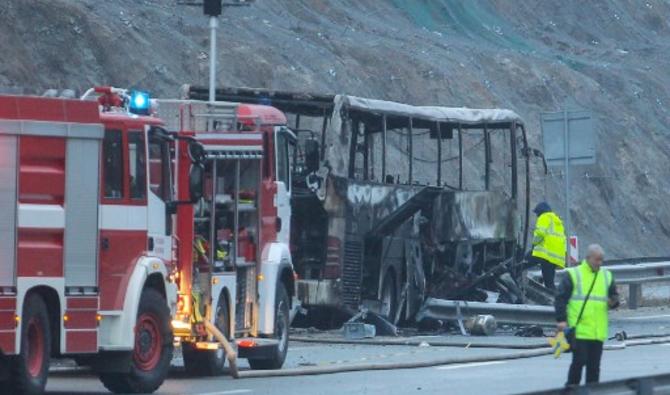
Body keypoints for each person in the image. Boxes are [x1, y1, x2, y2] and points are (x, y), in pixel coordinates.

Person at [555, 244, 620, 387]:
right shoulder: (574, 274)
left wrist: (613, 302)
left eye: (602, 260)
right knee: (579, 362)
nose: (600, 263)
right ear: (588, 258)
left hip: (598, 331)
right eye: (597, 260)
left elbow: (614, 297)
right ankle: (571, 390)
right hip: (579, 330)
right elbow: (560, 298)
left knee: (594, 368)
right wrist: (561, 320)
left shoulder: (606, 276)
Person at [529, 202, 566, 290]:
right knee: (549, 281)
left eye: (537, 213)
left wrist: (533, 245)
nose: (537, 215)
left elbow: (540, 234)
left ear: (541, 212)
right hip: (555, 257)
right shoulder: (557, 220)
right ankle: (553, 298)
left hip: (545, 254)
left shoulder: (544, 217)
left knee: (524, 262)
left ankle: (553, 301)